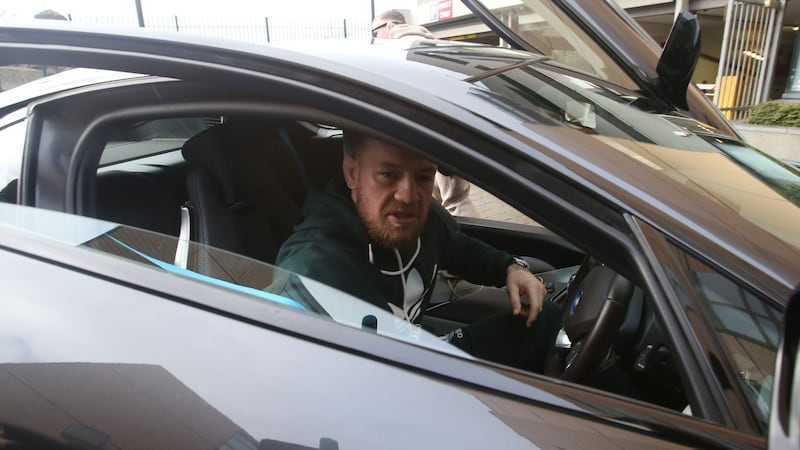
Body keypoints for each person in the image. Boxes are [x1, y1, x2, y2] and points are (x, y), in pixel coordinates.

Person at [276, 131, 560, 373]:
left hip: (415, 348)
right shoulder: (316, 271)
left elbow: (458, 248)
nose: (409, 196)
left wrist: (509, 268)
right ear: (352, 174)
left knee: (547, 320)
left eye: (424, 177)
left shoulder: (417, 221)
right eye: (388, 175)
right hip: (397, 381)